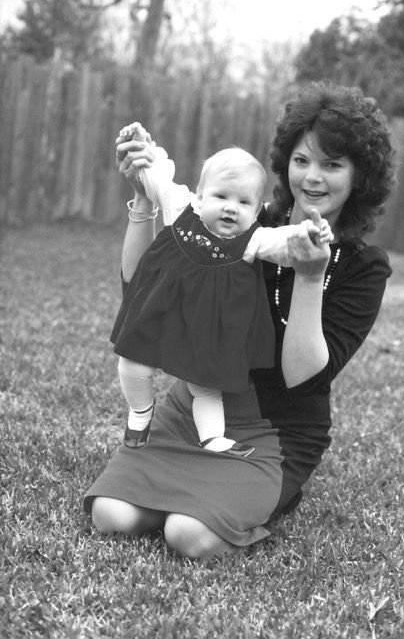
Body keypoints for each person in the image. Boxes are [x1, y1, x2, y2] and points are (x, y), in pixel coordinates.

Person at [84, 81, 396, 559]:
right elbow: (142, 284)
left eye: (332, 164)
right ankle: (184, 485)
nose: (312, 177)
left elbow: (302, 376)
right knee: (111, 516)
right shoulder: (242, 219)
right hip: (197, 404)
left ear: (360, 177)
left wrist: (310, 278)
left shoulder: (362, 265)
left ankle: (241, 494)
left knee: (189, 537)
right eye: (302, 160)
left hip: (277, 429)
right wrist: (145, 200)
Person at [111, 123, 333, 456]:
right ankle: (140, 412)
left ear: (257, 212)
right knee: (132, 364)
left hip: (206, 326)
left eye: (244, 202)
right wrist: (142, 146)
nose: (231, 207)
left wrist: (308, 233)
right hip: (163, 310)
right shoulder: (181, 207)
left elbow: (283, 245)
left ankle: (212, 437)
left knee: (206, 384)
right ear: (200, 196)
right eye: (221, 196)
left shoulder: (252, 239)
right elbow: (155, 176)